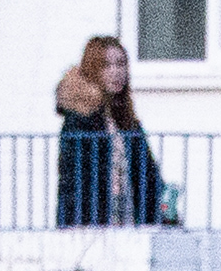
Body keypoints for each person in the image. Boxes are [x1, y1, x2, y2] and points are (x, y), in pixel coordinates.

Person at [55, 37, 164, 228]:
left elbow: (147, 174)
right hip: (90, 223)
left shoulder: (125, 118)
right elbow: (74, 181)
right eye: (106, 65)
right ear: (93, 69)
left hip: (128, 217)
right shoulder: (80, 118)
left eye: (121, 64)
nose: (116, 72)